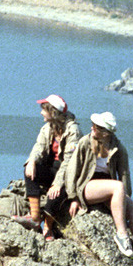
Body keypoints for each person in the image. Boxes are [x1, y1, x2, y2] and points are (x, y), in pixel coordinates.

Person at [48, 111, 133, 266]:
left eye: (96, 126)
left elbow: (125, 175)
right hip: (86, 186)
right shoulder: (85, 142)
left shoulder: (118, 149)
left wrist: (125, 201)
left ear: (106, 133)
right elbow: (72, 171)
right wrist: (74, 198)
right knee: (117, 186)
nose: (92, 128)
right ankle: (122, 235)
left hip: (109, 188)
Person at [15, 93, 79, 239]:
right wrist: (31, 161)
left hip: (67, 173)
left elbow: (69, 162)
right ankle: (35, 217)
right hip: (51, 167)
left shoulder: (73, 131)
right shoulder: (48, 127)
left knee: (55, 195)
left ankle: (48, 227)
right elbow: (39, 147)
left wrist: (57, 184)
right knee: (30, 171)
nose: (41, 112)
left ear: (53, 112)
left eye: (44, 109)